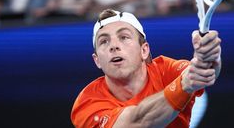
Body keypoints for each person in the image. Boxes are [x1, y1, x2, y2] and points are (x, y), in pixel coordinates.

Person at [71, 9, 222, 127]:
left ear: (144, 50)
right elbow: (138, 123)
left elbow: (204, 70)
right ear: (97, 60)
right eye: (104, 41)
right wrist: (184, 85)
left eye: (124, 37)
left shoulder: (166, 70)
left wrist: (208, 57)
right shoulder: (87, 102)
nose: (114, 46)